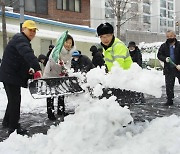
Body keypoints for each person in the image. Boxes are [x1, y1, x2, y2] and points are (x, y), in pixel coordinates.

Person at [0, 20, 42, 135]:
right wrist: (37, 68)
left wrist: (29, 70)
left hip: (10, 74)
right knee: (15, 101)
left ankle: (7, 122)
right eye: (30, 30)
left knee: (12, 100)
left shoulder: (22, 40)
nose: (32, 33)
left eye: (34, 31)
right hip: (10, 75)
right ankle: (13, 128)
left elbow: (21, 59)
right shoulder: (21, 39)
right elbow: (27, 54)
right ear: (23, 29)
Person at [43, 34, 76, 120]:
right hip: (50, 75)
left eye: (70, 43)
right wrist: (60, 64)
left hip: (60, 75)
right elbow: (52, 61)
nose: (68, 44)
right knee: (51, 94)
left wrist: (66, 70)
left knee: (61, 93)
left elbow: (68, 64)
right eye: (66, 42)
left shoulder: (70, 53)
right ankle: (50, 114)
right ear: (62, 42)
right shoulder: (56, 50)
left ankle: (61, 110)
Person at [157, 30, 180, 106]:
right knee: (169, 86)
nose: (169, 38)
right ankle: (170, 100)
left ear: (174, 36)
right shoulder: (164, 46)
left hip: (178, 68)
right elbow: (159, 55)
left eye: (171, 36)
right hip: (169, 69)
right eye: (168, 36)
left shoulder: (179, 45)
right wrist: (164, 59)